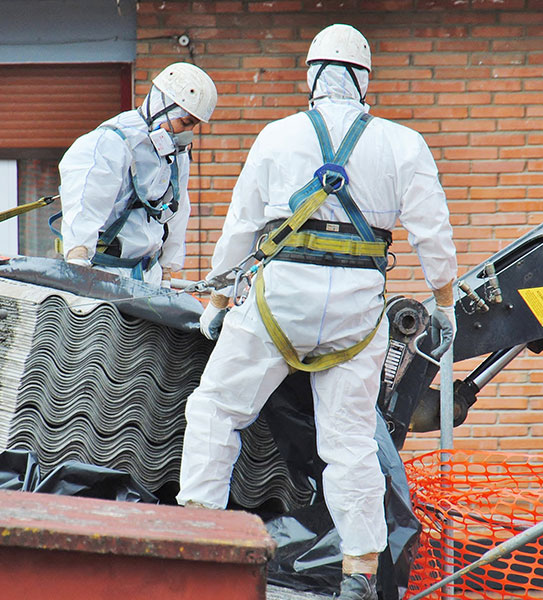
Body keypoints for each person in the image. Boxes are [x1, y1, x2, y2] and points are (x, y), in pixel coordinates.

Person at [177, 24, 457, 600]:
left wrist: (217, 298)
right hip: (356, 312)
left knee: (217, 408)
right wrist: (445, 300)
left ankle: (199, 542)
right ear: (364, 79)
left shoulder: (278, 137)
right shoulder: (403, 144)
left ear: (310, 76)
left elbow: (241, 226)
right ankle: (359, 571)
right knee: (350, 442)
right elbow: (434, 234)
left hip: (280, 300)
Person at [58, 62, 217, 287]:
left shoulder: (175, 155)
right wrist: (78, 271)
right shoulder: (109, 143)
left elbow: (178, 211)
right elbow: (84, 209)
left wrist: (167, 271)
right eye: (185, 122)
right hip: (105, 275)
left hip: (146, 275)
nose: (187, 133)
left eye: (194, 126)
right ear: (162, 106)